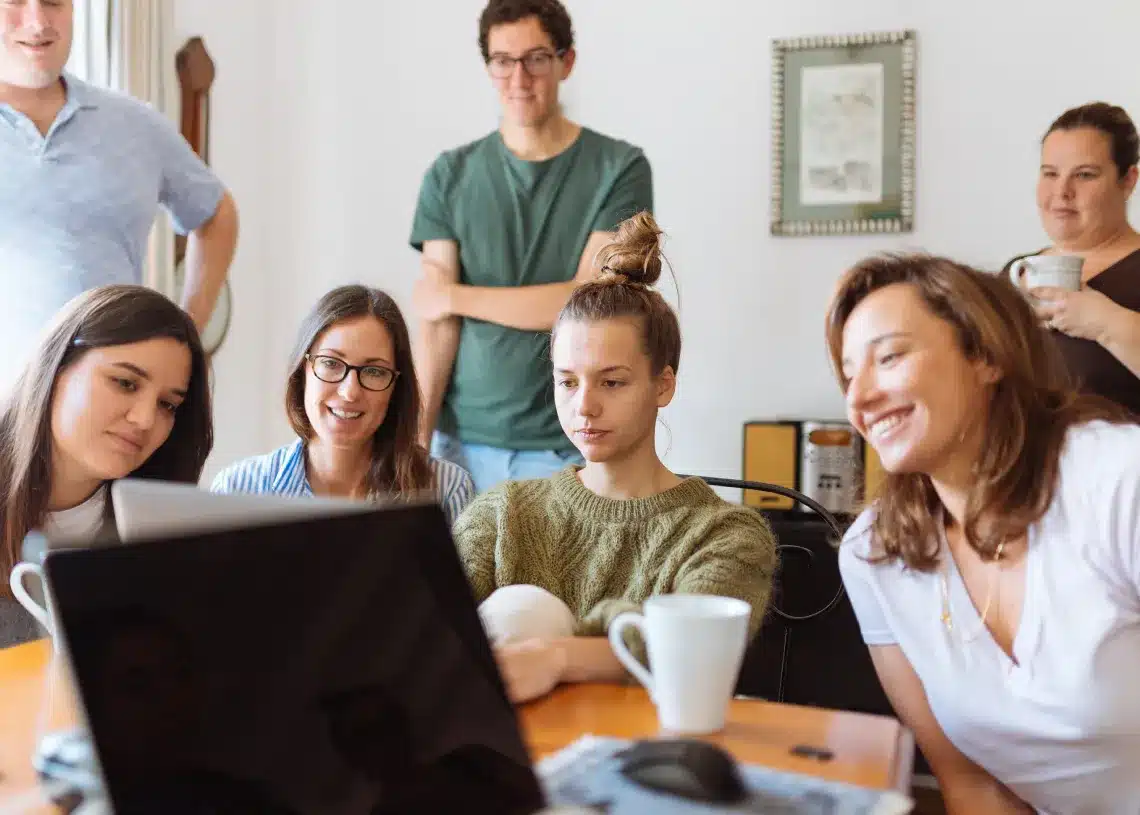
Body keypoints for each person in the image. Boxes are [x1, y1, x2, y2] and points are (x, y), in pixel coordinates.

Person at [828, 253, 1140, 813]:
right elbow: (971, 784)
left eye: (891, 357)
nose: (859, 399)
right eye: (850, 376)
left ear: (986, 356)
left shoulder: (1117, 478)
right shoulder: (874, 554)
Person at [452, 212, 776, 704]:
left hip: (650, 764)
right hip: (505, 765)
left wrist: (556, 656)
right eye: (568, 381)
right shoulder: (501, 515)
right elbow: (424, 634)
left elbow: (693, 651)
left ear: (663, 384)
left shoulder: (725, 534)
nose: (584, 406)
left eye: (612, 381)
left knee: (528, 610)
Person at [410, 0, 653, 493]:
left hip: (566, 442)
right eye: (502, 60)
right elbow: (437, 327)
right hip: (456, 446)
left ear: (567, 61)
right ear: (488, 67)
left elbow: (587, 301)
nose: (519, 77)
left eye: (536, 58)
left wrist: (456, 294)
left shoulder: (620, 169)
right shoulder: (448, 175)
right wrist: (415, 441)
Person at [0, 0, 239, 396]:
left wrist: (186, 336)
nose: (38, 22)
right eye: (15, 2)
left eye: (53, 3)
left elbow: (216, 214)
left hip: (118, 411)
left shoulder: (134, 124)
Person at [0, 285, 214, 648]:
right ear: (56, 368)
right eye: (125, 383)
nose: (146, 419)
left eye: (168, 405)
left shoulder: (160, 532)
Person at [211, 286, 474, 525]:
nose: (349, 392)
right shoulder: (238, 490)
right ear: (303, 371)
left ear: (397, 386)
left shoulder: (446, 489)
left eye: (373, 371)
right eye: (331, 363)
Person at [1002, 102, 1140, 415]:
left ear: (1128, 180)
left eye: (1085, 175)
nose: (1062, 191)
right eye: (1050, 174)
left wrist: (1106, 323)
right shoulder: (1014, 273)